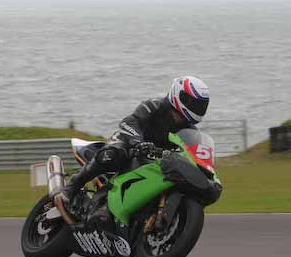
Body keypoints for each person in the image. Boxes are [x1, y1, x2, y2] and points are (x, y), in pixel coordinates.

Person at [54, 76, 210, 213]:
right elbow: (131, 121)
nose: (197, 108)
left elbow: (193, 156)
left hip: (156, 161)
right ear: (180, 95)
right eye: (194, 103)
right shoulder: (155, 105)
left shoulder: (191, 132)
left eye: (200, 105)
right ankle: (71, 187)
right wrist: (137, 142)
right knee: (114, 154)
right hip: (130, 144)